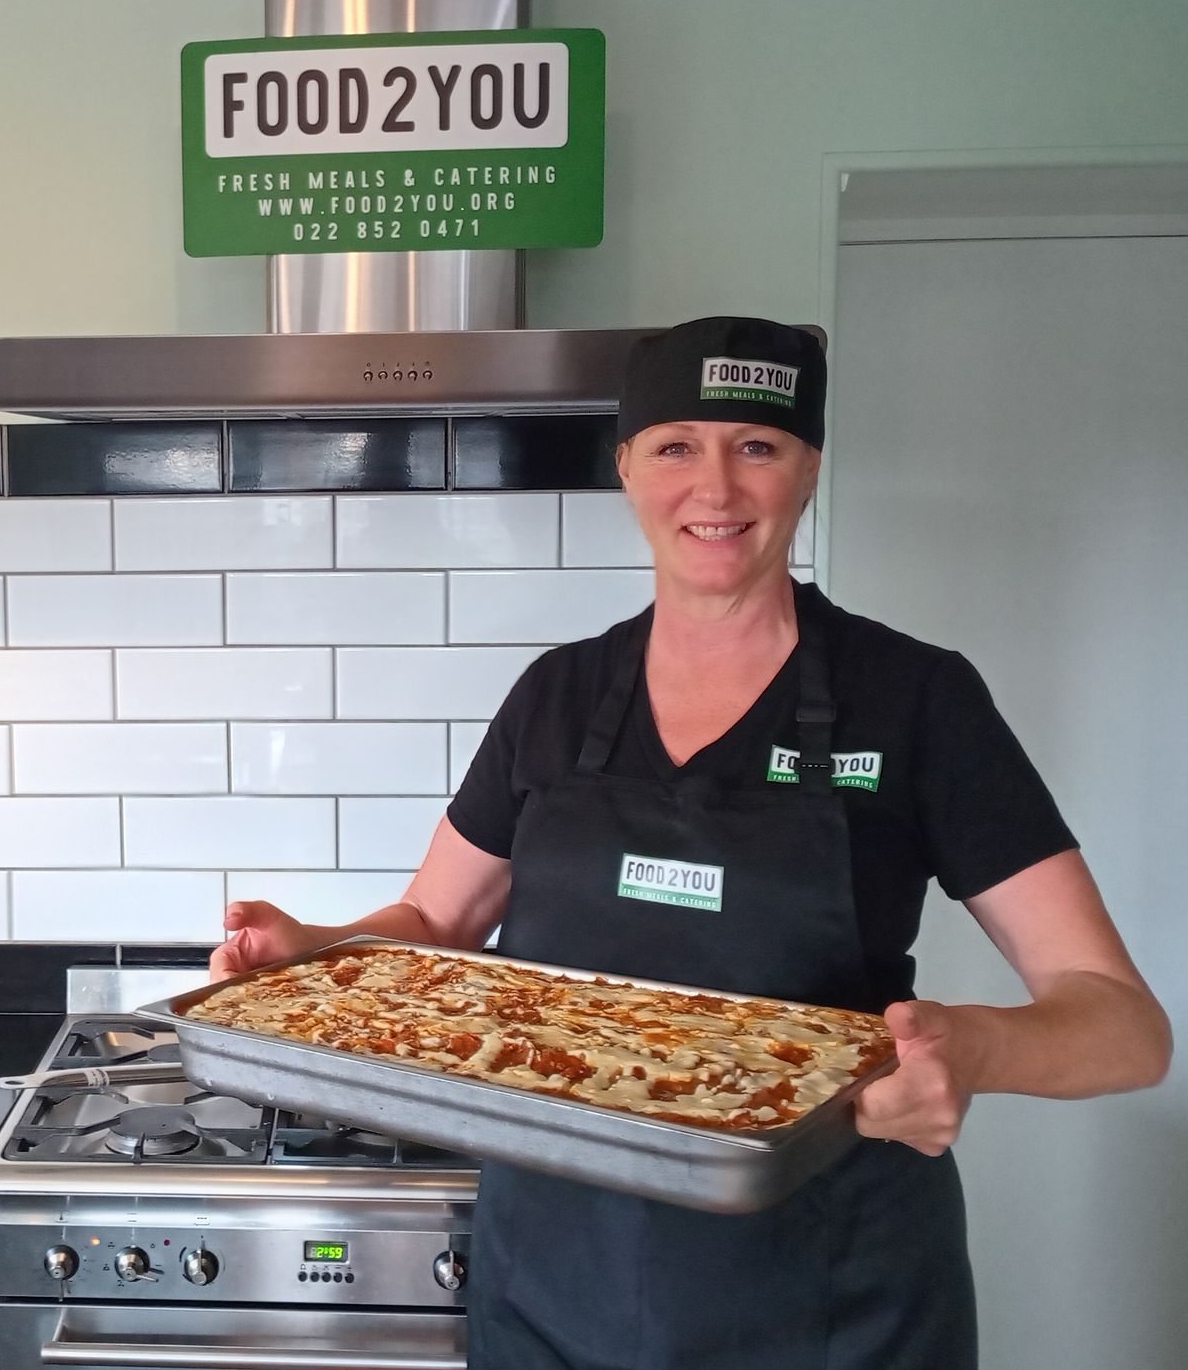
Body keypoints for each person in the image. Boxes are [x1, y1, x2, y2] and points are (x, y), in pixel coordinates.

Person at [207, 316, 1172, 1370]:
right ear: (627, 466)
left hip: (830, 1296)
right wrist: (317, 950)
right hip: (555, 1284)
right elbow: (438, 919)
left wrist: (974, 1049)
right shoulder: (556, 696)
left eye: (757, 445)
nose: (715, 488)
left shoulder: (917, 699)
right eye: (676, 446)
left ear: (808, 468)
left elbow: (1124, 1026)